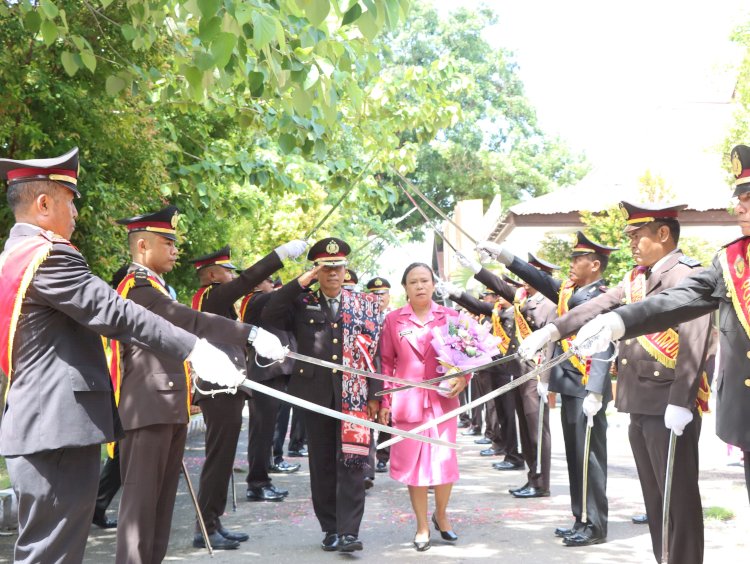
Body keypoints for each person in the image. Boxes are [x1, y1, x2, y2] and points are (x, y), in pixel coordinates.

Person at [0, 148, 257, 562]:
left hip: (41, 423)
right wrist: (197, 350)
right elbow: (116, 312)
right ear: (44, 203)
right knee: (53, 553)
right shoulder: (47, 256)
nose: (77, 213)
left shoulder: (15, 256)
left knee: (47, 550)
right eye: (70, 201)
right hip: (56, 426)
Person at [520, 201, 714, 563]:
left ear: (663, 233)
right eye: (630, 236)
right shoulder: (637, 279)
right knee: (656, 502)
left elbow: (695, 338)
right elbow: (595, 308)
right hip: (640, 401)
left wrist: (681, 399)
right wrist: (551, 330)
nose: (632, 243)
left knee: (679, 501)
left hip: (668, 405)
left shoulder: (687, 275)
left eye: (638, 235)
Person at [572, 145, 750, 504]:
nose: (738, 207)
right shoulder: (732, 260)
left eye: (747, 198)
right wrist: (617, 321)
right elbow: (680, 300)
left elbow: (695, 339)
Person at [112, 205, 286, 562]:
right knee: (141, 512)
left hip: (167, 406)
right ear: (143, 246)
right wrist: (249, 332)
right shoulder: (139, 289)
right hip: (147, 407)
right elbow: (190, 321)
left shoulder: (158, 287)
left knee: (159, 512)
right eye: (168, 243)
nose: (176, 250)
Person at [477, 231, 616, 547]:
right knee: (575, 457)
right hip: (569, 384)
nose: (571, 264)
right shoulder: (570, 291)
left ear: (595, 265)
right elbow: (534, 277)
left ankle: (595, 524)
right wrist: (503, 255)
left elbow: (605, 345)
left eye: (578, 259)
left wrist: (596, 389)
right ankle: (580, 518)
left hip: (587, 387)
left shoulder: (602, 295)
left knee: (590, 459)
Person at [262, 238, 383, 553]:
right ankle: (330, 528)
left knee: (353, 463)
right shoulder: (302, 303)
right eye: (325, 268)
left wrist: (375, 394)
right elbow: (270, 314)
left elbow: (375, 351)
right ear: (317, 271)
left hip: (353, 397)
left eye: (337, 267)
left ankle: (349, 531)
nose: (333, 273)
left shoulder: (363, 305)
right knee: (323, 465)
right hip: (315, 396)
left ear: (345, 270)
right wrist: (302, 281)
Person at [190, 242, 305, 545]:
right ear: (213, 274)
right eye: (227, 270)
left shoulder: (216, 301)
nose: (232, 275)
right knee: (218, 461)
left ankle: (212, 521)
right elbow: (248, 281)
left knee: (223, 460)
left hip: (227, 387)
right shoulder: (212, 297)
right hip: (219, 389)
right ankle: (207, 527)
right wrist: (279, 255)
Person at [378, 263, 467, 552]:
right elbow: (387, 364)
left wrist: (463, 378)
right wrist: (385, 401)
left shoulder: (450, 316)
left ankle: (441, 515)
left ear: (433, 284)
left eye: (425, 281)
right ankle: (422, 525)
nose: (420, 286)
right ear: (405, 287)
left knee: (443, 462)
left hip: (443, 400)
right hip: (409, 400)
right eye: (413, 281)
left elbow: (466, 356)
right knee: (414, 467)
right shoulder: (393, 320)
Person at [454, 253, 557, 498]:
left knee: (536, 432)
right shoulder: (524, 299)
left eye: (528, 275)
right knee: (525, 428)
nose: (522, 280)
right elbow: (499, 287)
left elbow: (553, 343)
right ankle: (533, 477)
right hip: (520, 373)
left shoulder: (550, 302)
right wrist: (478, 269)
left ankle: (541, 482)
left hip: (535, 373)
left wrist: (545, 378)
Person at [441, 281, 524, 471]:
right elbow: (475, 306)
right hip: (495, 369)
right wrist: (455, 293)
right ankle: (506, 450)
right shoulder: (497, 312)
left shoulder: (518, 312)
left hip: (510, 370)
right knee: (501, 413)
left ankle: (514, 454)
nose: (496, 297)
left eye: (500, 294)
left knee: (508, 416)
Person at [239, 275, 301, 502]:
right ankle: (257, 483)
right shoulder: (255, 300)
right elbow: (282, 297)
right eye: (269, 282)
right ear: (257, 284)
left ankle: (262, 479)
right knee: (261, 432)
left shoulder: (263, 300)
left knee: (266, 431)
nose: (274, 287)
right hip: (264, 374)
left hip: (272, 374)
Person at [366, 277, 393, 473]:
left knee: (387, 417)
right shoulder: (361, 317)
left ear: (389, 296)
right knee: (367, 417)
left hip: (390, 374)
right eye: (374, 294)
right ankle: (367, 461)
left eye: (382, 293)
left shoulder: (394, 318)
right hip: (368, 373)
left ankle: (383, 456)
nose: (378, 297)